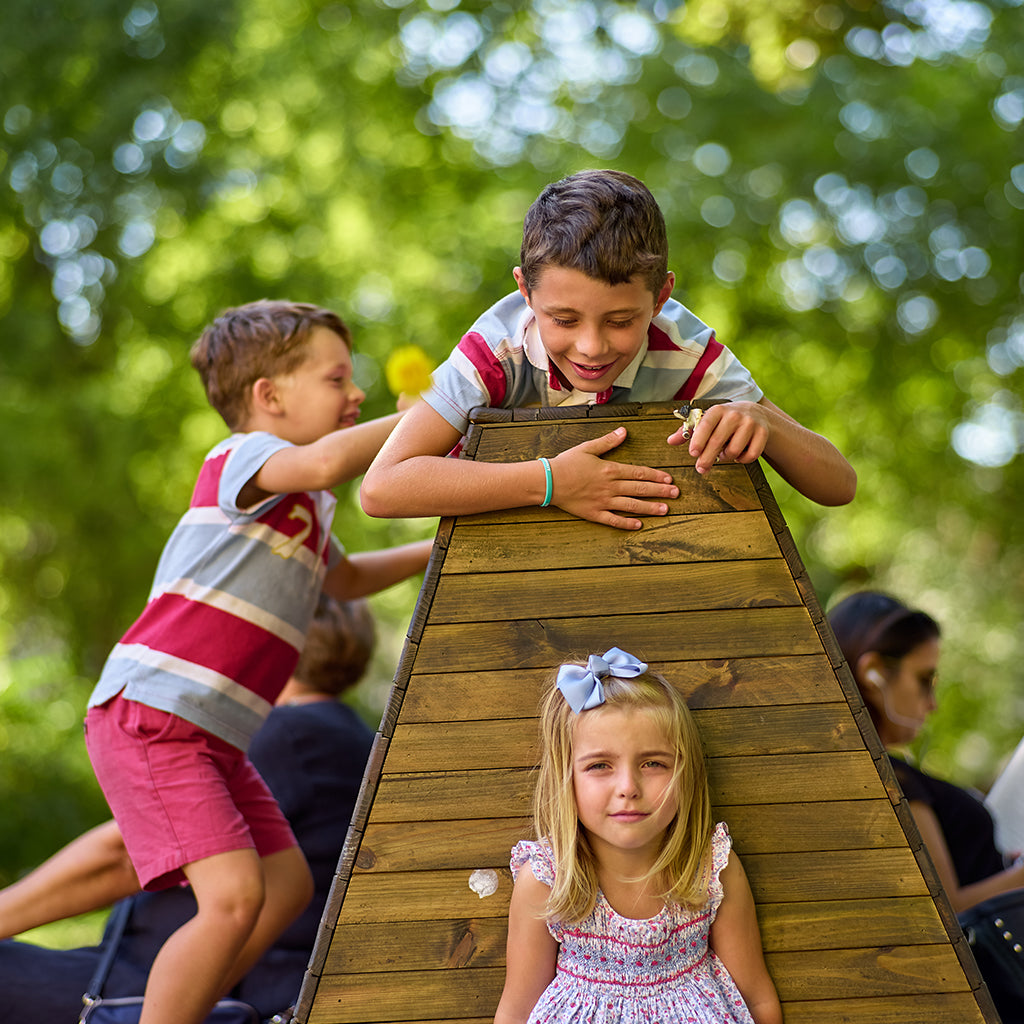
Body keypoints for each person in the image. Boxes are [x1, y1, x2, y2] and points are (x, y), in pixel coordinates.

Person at [81, 300, 432, 1024]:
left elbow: (347, 581)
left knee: (284, 885)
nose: (356, 393)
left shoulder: (306, 506)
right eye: (338, 379)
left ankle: (180, 1006)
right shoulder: (242, 458)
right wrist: (442, 407)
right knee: (235, 896)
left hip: (211, 735)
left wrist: (444, 548)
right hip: (155, 714)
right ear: (268, 398)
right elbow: (331, 458)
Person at [361, 169, 856, 532]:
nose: (592, 347)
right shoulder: (496, 351)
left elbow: (839, 486)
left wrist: (763, 422)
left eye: (621, 321)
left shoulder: (686, 352)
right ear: (525, 293)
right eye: (564, 319)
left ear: (661, 297)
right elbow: (382, 487)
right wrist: (553, 483)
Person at [0, 592, 379, 1022]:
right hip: (222, 980)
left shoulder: (279, 735)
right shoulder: (352, 736)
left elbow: (122, 856)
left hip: (163, 990)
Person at [493, 647, 782, 1024]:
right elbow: (517, 1009)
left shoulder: (710, 868)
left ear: (686, 772)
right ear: (567, 780)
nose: (628, 786)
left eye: (653, 763)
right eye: (600, 765)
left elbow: (757, 1001)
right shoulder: (548, 879)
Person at [828, 590, 1024, 1024]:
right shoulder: (893, 780)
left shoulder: (879, 772)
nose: (931, 703)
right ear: (874, 673)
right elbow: (947, 907)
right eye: (924, 679)